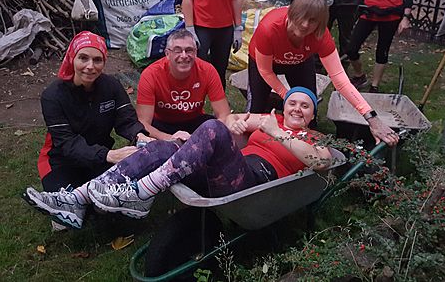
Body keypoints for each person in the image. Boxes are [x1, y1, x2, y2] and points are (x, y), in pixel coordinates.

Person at [23, 87, 332, 229]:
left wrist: (275, 131)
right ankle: (77, 199)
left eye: (305, 106)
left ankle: (142, 192)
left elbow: (322, 163)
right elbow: (227, 124)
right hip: (229, 171)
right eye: (292, 102)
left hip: (255, 184)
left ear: (313, 114)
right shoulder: (268, 119)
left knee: (208, 127)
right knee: (162, 147)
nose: (296, 109)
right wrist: (236, 125)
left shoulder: (317, 139)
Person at [247, 0, 399, 146]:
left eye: (312, 21)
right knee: (257, 109)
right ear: (292, 12)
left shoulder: (321, 36)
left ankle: (306, 152)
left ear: (321, 23)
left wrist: (371, 117)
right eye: (301, 17)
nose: (305, 24)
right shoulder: (269, 29)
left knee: (308, 110)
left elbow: (340, 79)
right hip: (264, 64)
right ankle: (253, 148)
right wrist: (287, 96)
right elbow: (265, 71)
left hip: (300, 61)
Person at [37, 31, 150, 195]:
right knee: (69, 206)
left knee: (115, 199)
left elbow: (127, 120)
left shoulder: (112, 86)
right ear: (72, 58)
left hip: (100, 159)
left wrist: (140, 136)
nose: (90, 66)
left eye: (97, 60)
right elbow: (67, 143)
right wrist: (109, 155)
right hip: (61, 161)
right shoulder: (52, 95)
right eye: (83, 58)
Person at [136, 29, 231, 141]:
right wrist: (171, 139)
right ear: (167, 54)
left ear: (196, 53)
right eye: (177, 51)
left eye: (189, 50)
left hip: (195, 122)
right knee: (140, 136)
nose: (184, 55)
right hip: (161, 125)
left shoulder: (207, 70)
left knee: (223, 130)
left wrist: (203, 137)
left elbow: (224, 115)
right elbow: (143, 124)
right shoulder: (151, 74)